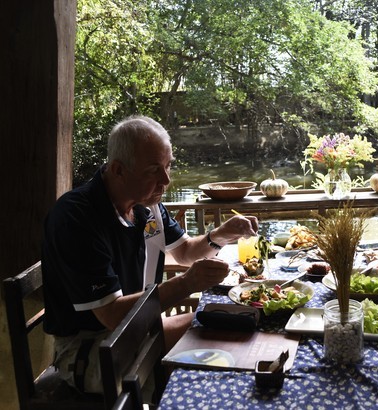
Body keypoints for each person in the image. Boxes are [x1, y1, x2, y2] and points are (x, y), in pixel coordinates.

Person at [41, 115, 259, 394]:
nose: (166, 180)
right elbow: (110, 315)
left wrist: (221, 235)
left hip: (135, 328)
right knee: (214, 339)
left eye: (168, 166)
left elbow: (184, 252)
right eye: (154, 170)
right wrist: (186, 284)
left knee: (231, 322)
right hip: (88, 349)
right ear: (118, 170)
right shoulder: (76, 218)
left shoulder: (146, 206)